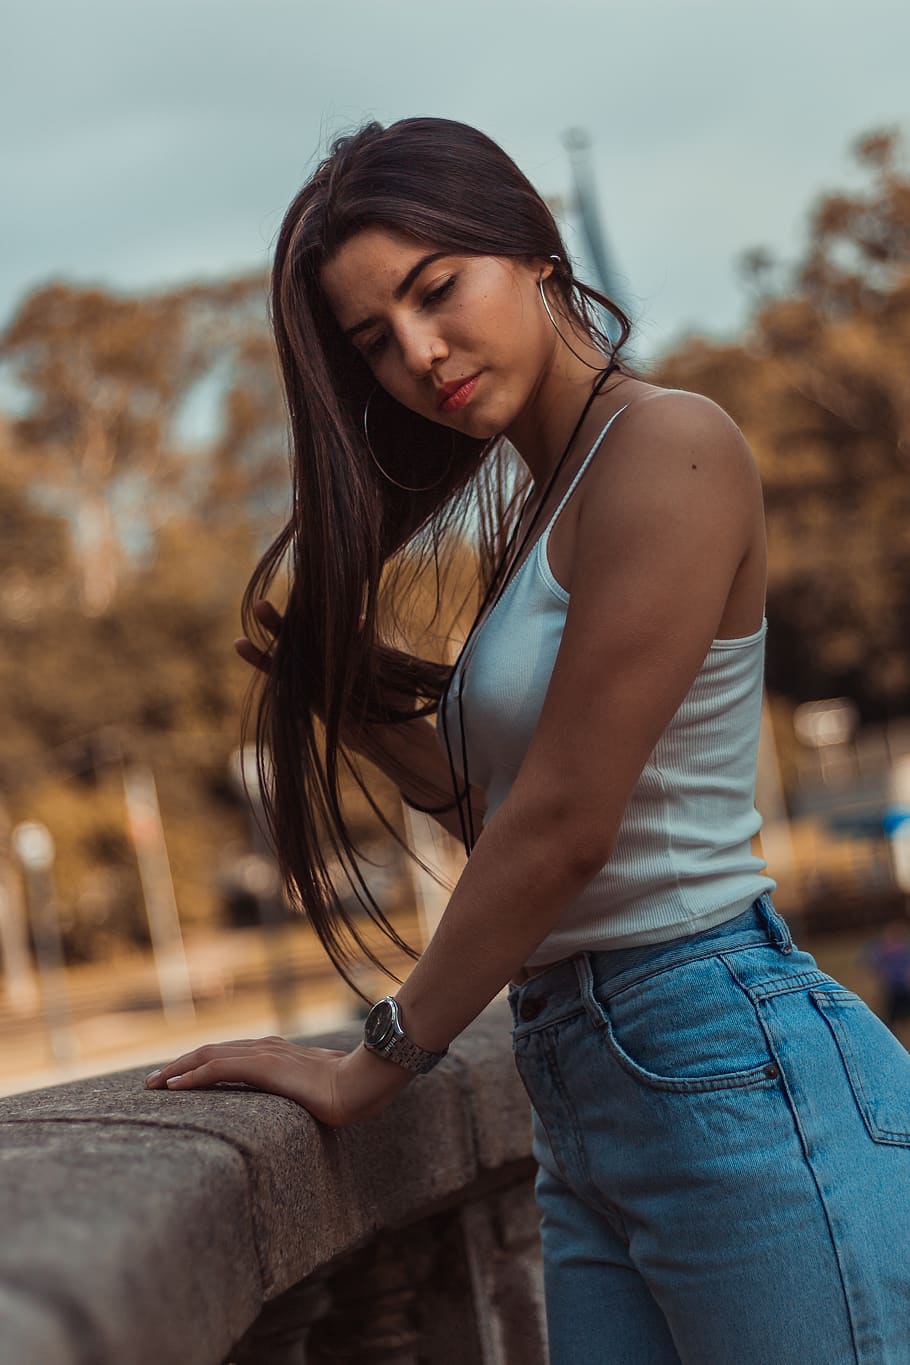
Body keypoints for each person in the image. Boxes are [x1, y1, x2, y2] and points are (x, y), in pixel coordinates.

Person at [144, 118, 910, 1362]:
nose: (417, 354)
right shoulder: (537, 515)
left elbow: (566, 826)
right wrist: (349, 699)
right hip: (584, 1085)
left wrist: (371, 1060)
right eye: (372, 342)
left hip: (723, 1060)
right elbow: (504, 813)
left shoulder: (671, 445)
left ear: (532, 250)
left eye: (435, 290)